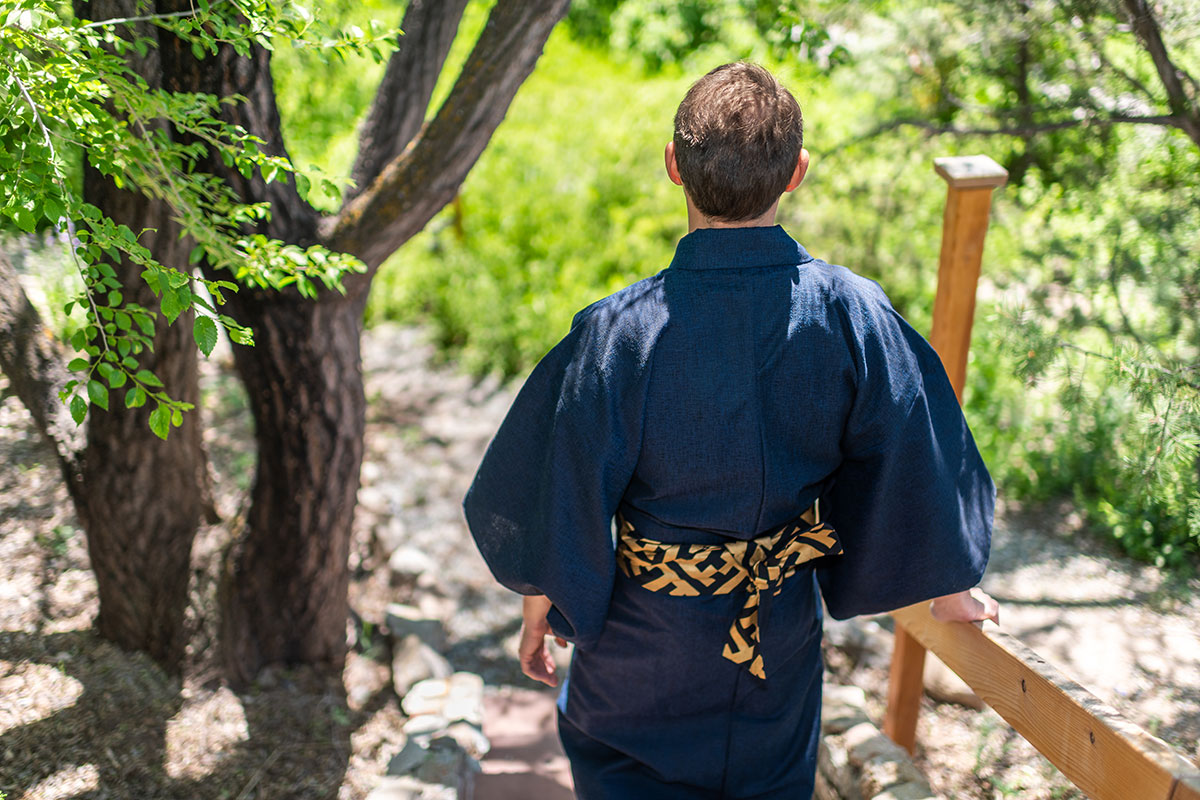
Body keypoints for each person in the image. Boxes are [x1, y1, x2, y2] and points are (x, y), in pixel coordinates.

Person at [463, 62, 999, 800]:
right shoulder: (853, 314)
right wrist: (952, 582)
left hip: (639, 662)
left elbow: (559, 481)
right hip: (773, 654)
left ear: (672, 167)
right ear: (797, 173)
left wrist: (544, 597)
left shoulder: (619, 331)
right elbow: (916, 443)